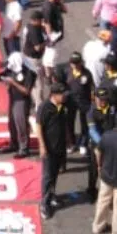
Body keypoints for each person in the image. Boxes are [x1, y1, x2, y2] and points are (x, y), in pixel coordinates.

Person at [35, 83, 71, 220]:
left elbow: (64, 124)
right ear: (54, 95)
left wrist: (68, 138)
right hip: (49, 149)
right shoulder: (45, 107)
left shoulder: (62, 107)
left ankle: (52, 194)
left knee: (55, 173)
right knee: (47, 176)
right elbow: (38, 127)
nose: (64, 97)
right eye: (62, 94)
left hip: (60, 147)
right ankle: (44, 203)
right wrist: (42, 147)